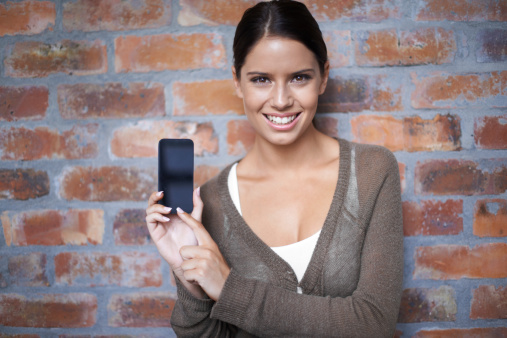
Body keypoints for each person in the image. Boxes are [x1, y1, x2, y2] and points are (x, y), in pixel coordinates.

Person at [145, 0, 403, 336]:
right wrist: (190, 280)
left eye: (299, 77)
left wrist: (229, 289)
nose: (281, 100)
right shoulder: (210, 202)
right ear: (237, 82)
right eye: (261, 79)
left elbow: (374, 323)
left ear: (323, 77)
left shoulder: (371, 172)